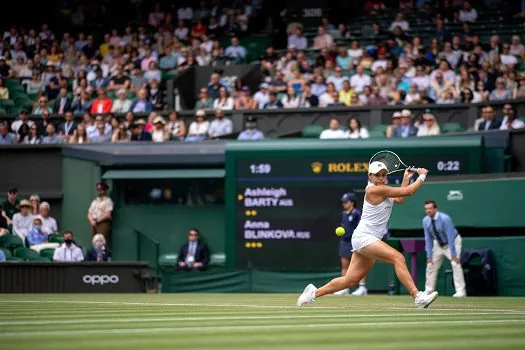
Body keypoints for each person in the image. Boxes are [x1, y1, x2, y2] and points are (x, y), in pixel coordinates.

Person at [297, 161, 438, 308]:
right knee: (398, 258)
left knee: (351, 280)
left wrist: (406, 179)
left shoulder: (383, 190)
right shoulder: (373, 190)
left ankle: (312, 293)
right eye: (377, 175)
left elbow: (400, 199)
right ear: (369, 176)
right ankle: (417, 296)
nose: (381, 178)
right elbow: (408, 192)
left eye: (383, 175)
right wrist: (421, 176)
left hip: (366, 238)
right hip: (364, 237)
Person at [423, 200, 466, 298]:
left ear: (435, 209)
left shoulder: (445, 219)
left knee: (455, 263)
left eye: (430, 208)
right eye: (426, 209)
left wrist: (454, 254)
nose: (428, 210)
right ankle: (428, 291)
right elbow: (428, 238)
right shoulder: (425, 221)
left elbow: (450, 236)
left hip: (453, 242)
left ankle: (461, 291)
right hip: (438, 244)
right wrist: (429, 256)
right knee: (430, 265)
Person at [334, 193, 369, 296]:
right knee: (345, 265)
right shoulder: (343, 214)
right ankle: (344, 288)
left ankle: (362, 288)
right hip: (345, 242)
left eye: (346, 202)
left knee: (360, 265)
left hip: (356, 242)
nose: (344, 204)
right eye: (343, 202)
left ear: (352, 202)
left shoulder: (357, 213)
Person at [87, 182, 113, 247]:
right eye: (98, 190)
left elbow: (108, 214)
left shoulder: (108, 201)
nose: (99, 191)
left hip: (103, 223)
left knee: (102, 241)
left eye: (101, 190)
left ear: (105, 191)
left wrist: (98, 220)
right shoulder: (95, 201)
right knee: (95, 241)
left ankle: (104, 256)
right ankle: (95, 256)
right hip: (94, 223)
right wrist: (91, 221)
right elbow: (89, 213)